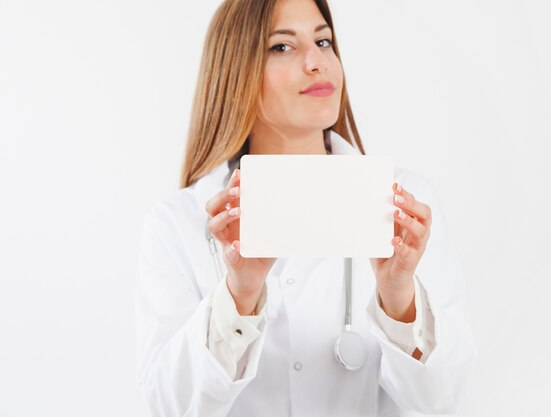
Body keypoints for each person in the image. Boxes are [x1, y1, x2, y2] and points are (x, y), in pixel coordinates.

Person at [135, 0, 477, 415]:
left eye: (323, 40)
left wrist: (398, 297)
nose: (317, 62)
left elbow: (445, 401)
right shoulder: (179, 223)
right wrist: (238, 297)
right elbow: (170, 406)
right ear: (235, 70)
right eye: (283, 47)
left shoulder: (405, 204)